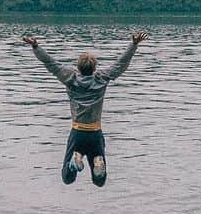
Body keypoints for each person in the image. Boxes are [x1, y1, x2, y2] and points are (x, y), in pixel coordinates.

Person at [22, 29, 147, 186]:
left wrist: (36, 47)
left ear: (78, 67)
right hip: (95, 133)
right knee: (99, 182)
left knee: (67, 178)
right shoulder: (102, 78)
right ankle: (97, 160)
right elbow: (120, 65)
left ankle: (76, 159)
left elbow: (50, 63)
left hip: (78, 134)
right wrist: (133, 45)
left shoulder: (70, 77)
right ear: (94, 68)